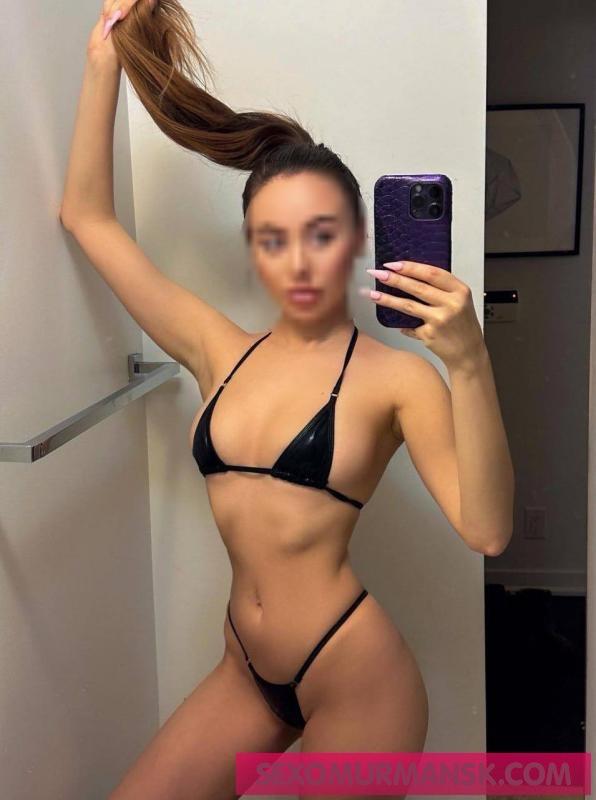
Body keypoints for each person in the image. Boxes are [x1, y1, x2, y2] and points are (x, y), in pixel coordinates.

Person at [59, 2, 515, 798]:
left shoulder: (398, 380)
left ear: (356, 240)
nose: (299, 262)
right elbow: (88, 218)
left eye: (321, 233)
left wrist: (468, 357)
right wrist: (105, 61)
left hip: (356, 677)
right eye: (274, 238)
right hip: (244, 669)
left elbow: (488, 530)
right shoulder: (216, 347)